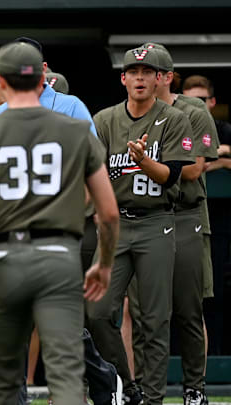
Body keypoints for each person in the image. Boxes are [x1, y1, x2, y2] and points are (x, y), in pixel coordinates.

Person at [0, 41, 119, 405]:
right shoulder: (74, 128)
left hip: (7, 256)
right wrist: (103, 263)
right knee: (66, 370)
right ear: (42, 80)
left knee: (3, 374)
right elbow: (109, 212)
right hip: (59, 254)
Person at [86, 46, 195, 405]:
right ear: (123, 78)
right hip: (115, 222)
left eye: (147, 72)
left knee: (154, 318)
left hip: (156, 220)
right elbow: (93, 174)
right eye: (133, 72)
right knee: (98, 312)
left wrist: (145, 162)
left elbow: (173, 174)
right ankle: (126, 385)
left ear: (158, 78)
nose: (139, 78)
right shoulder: (104, 119)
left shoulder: (174, 118)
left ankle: (153, 397)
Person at [182, 74, 231, 362]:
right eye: (189, 99)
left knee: (216, 296)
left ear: (212, 102)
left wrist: (222, 159)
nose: (195, 106)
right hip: (182, 220)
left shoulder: (224, 129)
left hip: (220, 225)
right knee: (185, 301)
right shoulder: (174, 126)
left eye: (201, 100)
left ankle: (214, 361)